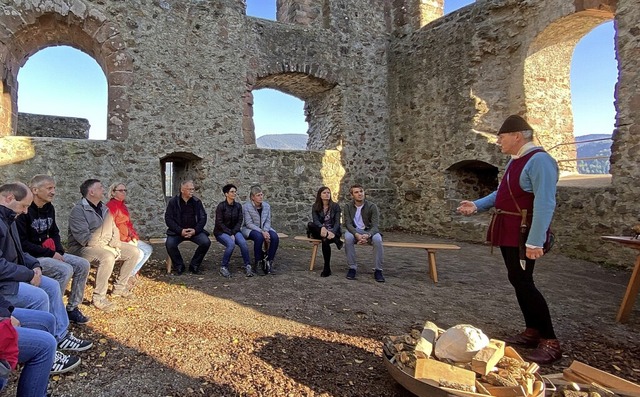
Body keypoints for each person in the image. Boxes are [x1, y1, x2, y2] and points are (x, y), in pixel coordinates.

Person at [457, 114, 561, 365]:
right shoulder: (517, 161)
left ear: (517, 136)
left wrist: (535, 241)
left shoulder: (540, 161)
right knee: (517, 278)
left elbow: (545, 202)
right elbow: (502, 193)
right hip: (510, 229)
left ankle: (550, 340)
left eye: (501, 137)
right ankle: (533, 330)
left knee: (524, 280)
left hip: (524, 232)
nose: (498, 142)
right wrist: (477, 205)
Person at [0, 182, 91, 374]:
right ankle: (44, 350)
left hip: (17, 272)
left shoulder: (9, 218)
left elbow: (19, 251)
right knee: (40, 295)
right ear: (9, 199)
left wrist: (34, 265)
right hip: (6, 284)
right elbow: (4, 263)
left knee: (50, 285)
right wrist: (30, 271)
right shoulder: (6, 220)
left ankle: (60, 333)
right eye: (23, 206)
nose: (25, 211)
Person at [16, 175, 91, 324]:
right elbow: (22, 244)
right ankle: (53, 313)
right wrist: (51, 254)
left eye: (54, 188)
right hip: (32, 257)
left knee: (83, 264)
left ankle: (72, 308)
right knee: (64, 270)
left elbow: (55, 232)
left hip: (49, 252)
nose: (53, 192)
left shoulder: (49, 208)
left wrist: (59, 251)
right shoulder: (24, 211)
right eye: (49, 188)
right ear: (35, 190)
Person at [67, 179, 140, 311]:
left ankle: (119, 288)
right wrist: (107, 248)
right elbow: (85, 239)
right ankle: (99, 297)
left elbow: (114, 230)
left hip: (103, 245)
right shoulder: (78, 211)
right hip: (81, 249)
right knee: (107, 257)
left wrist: (115, 245)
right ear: (91, 192)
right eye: (100, 188)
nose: (103, 189)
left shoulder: (104, 209)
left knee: (134, 252)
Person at [106, 182, 153, 281]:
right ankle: (125, 278)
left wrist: (134, 237)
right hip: (119, 240)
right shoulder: (111, 206)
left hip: (128, 238)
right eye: (120, 190)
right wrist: (127, 239)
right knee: (139, 253)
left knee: (148, 249)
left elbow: (128, 224)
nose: (124, 192)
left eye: (125, 190)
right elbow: (112, 227)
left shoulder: (123, 206)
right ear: (113, 192)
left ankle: (131, 273)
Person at [164, 180, 211, 275]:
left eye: (193, 189)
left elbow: (203, 217)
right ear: (182, 190)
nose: (192, 191)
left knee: (206, 242)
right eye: (189, 189)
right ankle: (179, 265)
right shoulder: (173, 202)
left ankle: (194, 265)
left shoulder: (197, 202)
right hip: (177, 231)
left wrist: (195, 230)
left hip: (194, 231)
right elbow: (168, 219)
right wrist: (180, 230)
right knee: (170, 244)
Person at [343, 184, 385, 282]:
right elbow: (348, 224)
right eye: (356, 192)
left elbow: (375, 226)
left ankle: (378, 270)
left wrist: (368, 235)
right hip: (354, 230)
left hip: (369, 231)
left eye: (361, 191)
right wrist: (356, 235)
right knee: (348, 238)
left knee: (378, 239)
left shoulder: (372, 206)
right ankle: (352, 268)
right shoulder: (347, 207)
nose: (359, 194)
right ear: (352, 195)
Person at [214, 184, 253, 278]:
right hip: (221, 232)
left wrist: (233, 232)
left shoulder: (238, 206)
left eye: (235, 191)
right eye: (232, 192)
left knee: (243, 243)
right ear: (226, 194)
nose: (234, 193)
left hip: (235, 231)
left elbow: (240, 221)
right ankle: (224, 267)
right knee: (231, 244)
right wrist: (229, 233)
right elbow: (219, 223)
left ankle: (248, 265)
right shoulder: (221, 206)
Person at [241, 185, 279, 275]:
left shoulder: (266, 206)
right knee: (259, 237)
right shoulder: (246, 207)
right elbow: (248, 223)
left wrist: (265, 231)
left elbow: (268, 221)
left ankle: (269, 262)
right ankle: (258, 263)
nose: (261, 197)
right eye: (258, 195)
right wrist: (262, 232)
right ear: (252, 197)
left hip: (264, 228)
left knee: (275, 237)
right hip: (250, 229)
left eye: (261, 194)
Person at [307, 186, 342, 277]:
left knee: (325, 240)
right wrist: (322, 227)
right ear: (320, 195)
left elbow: (338, 223)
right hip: (321, 230)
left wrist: (333, 232)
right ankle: (337, 241)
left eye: (328, 193)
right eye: (324, 193)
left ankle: (327, 268)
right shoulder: (316, 206)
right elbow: (316, 220)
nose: (327, 194)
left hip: (333, 232)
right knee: (310, 224)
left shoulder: (335, 206)